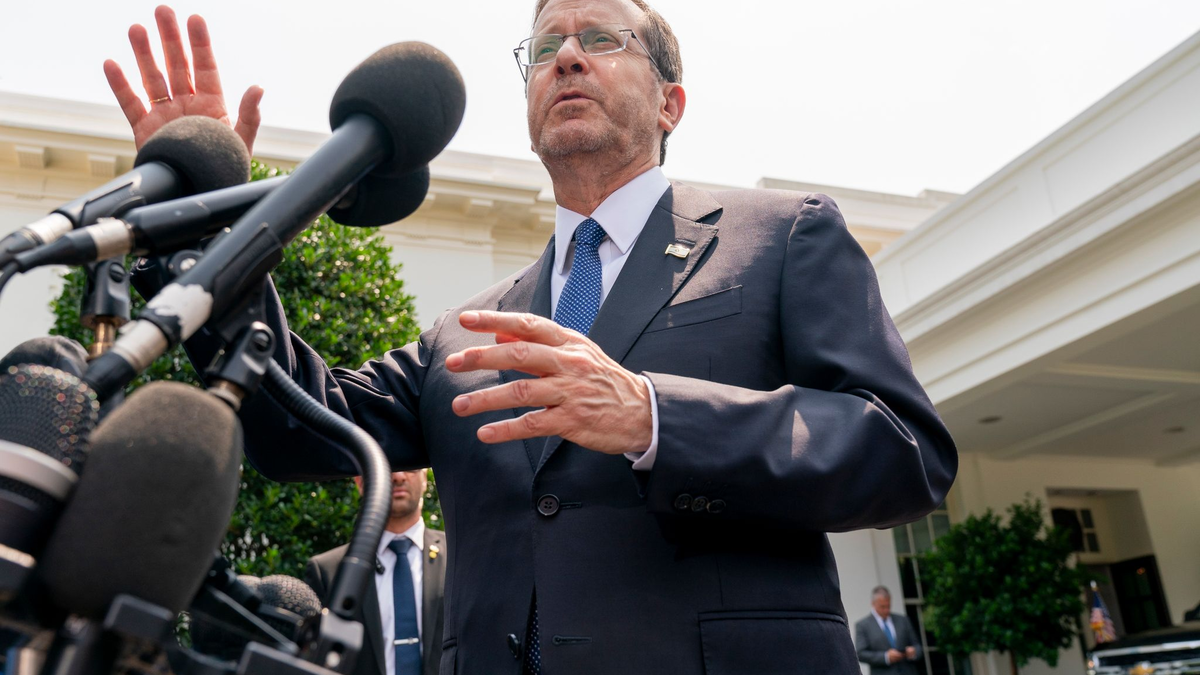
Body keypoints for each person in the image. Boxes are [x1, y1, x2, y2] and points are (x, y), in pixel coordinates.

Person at [106, 1, 958, 673]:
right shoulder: (467, 331)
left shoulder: (782, 238)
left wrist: (655, 416)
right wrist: (204, 234)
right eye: (545, 46)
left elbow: (904, 450)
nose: (568, 57)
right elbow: (297, 422)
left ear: (671, 101)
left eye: (601, 38)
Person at [305, 470, 446, 675]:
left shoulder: (459, 558)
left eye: (411, 468)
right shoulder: (329, 570)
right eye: (387, 468)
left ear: (425, 477)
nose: (399, 476)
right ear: (360, 481)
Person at [855, 586, 922, 674]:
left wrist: (913, 652)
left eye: (888, 606)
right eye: (882, 607)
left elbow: (917, 646)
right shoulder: (863, 625)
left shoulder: (903, 620)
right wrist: (885, 657)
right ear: (873, 604)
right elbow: (860, 654)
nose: (886, 610)